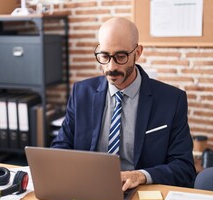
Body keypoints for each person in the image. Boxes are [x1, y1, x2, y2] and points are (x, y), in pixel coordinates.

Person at [51, 17, 196, 190]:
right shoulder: (81, 93)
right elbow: (60, 148)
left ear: (138, 52)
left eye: (121, 56)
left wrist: (141, 175)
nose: (111, 67)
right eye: (104, 56)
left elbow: (184, 168)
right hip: (88, 189)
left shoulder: (171, 100)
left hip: (140, 193)